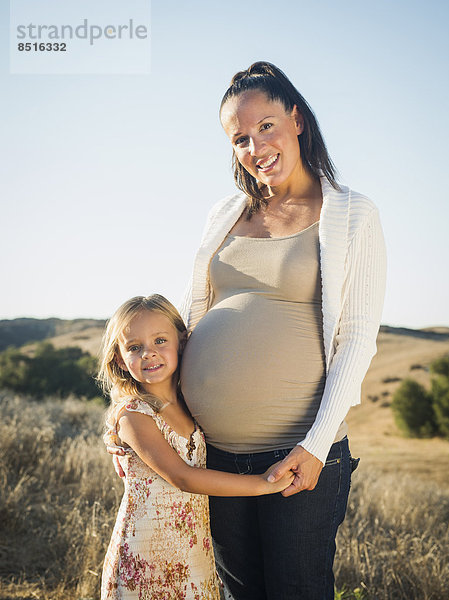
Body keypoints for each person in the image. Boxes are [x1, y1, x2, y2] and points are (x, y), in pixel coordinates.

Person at [178, 61, 387, 599]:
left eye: (265, 125)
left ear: (296, 118)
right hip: (219, 460)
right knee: (240, 593)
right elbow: (190, 320)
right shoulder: (224, 213)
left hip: (297, 458)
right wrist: (146, 413)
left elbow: (358, 337)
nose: (255, 146)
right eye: (240, 138)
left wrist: (317, 446)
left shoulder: (351, 214)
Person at [98, 294, 294, 600]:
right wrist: (261, 484)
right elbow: (182, 477)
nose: (149, 353)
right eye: (135, 348)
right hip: (148, 551)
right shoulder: (135, 416)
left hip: (191, 546)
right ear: (120, 359)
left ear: (182, 342)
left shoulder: (192, 403)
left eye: (160, 341)